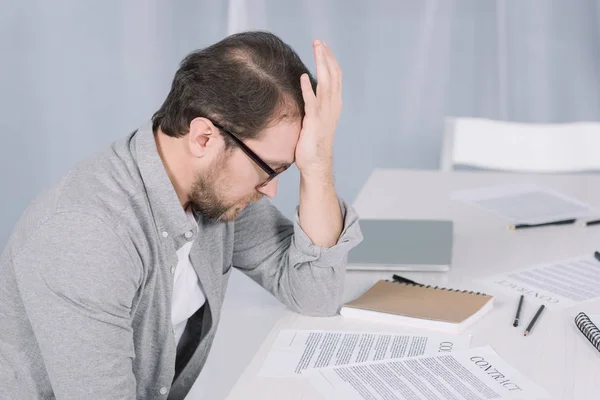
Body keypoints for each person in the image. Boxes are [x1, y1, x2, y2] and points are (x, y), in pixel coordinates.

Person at [0, 31, 362, 399]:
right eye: (270, 169)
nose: (271, 190)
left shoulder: (213, 193)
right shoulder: (88, 236)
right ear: (204, 138)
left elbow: (315, 295)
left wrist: (318, 164)